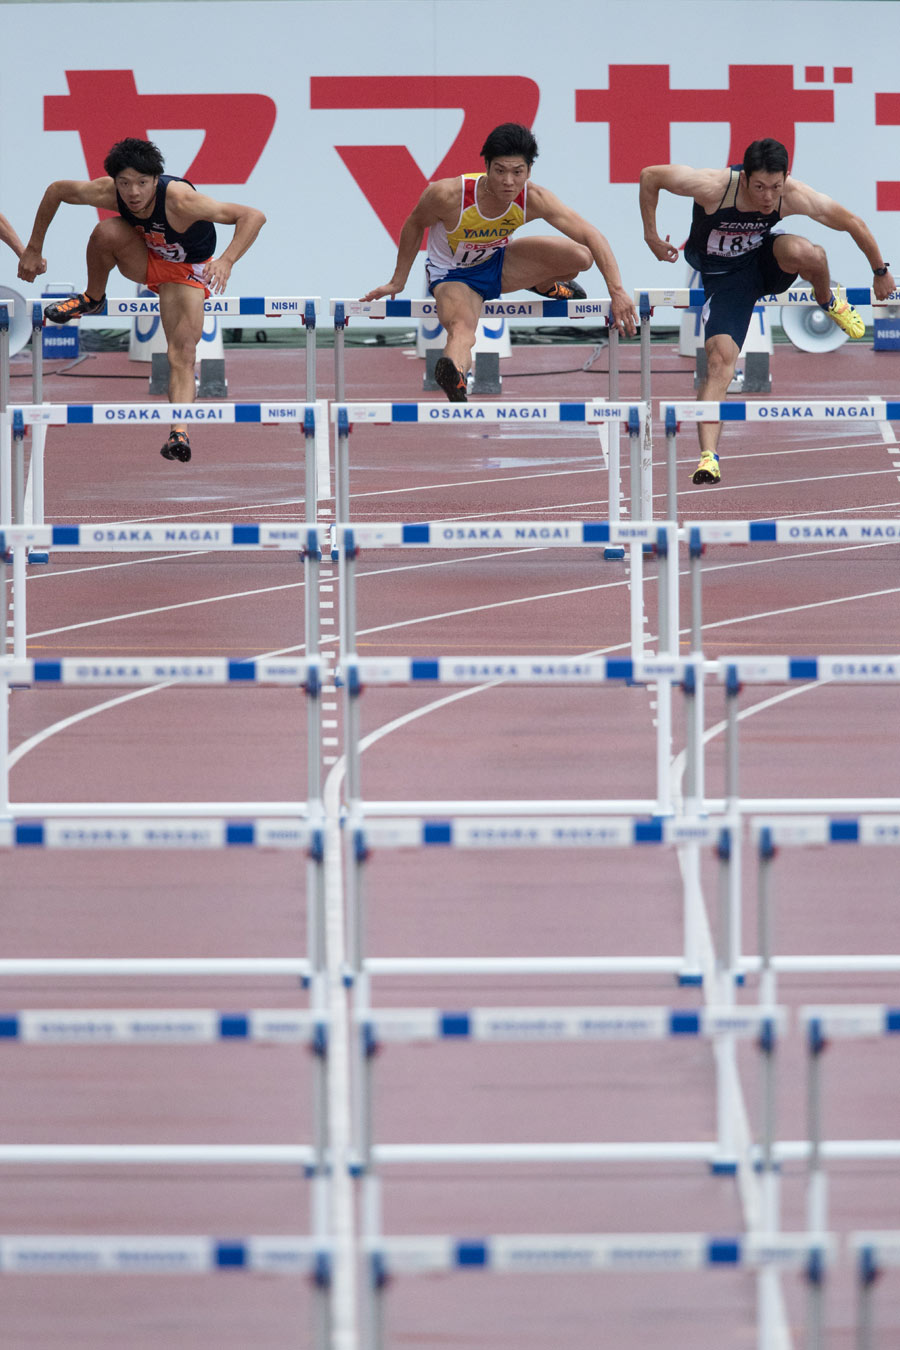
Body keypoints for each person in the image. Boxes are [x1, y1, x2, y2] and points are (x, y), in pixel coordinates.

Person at [640, 138, 896, 485]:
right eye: (759, 187)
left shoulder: (791, 194)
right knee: (719, 361)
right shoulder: (714, 187)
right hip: (725, 280)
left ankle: (828, 301)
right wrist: (651, 236)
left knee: (811, 253)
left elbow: (852, 221)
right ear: (743, 178)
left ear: (786, 178)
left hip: (765, 264)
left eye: (775, 187)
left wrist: (880, 271)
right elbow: (650, 176)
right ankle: (708, 458)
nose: (767, 197)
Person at [17, 138, 266, 464]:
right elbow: (56, 191)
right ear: (114, 181)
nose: (133, 193)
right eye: (124, 183)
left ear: (155, 180)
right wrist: (33, 248)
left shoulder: (182, 200)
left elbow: (253, 216)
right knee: (105, 232)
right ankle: (92, 298)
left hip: (185, 271)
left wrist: (227, 260)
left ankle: (179, 431)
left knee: (182, 353)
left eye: (142, 183)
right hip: (144, 257)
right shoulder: (108, 192)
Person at [362, 122, 637, 402]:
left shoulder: (535, 198)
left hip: (499, 262)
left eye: (518, 173)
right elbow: (413, 225)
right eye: (500, 171)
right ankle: (454, 373)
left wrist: (617, 291)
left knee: (580, 256)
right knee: (462, 329)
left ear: (529, 170)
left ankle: (544, 284)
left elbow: (592, 235)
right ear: (487, 166)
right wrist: (397, 280)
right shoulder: (448, 195)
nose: (508, 182)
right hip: (454, 276)